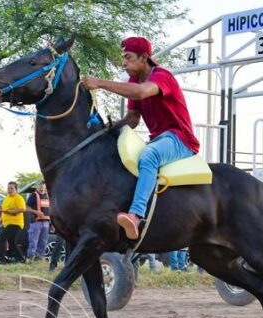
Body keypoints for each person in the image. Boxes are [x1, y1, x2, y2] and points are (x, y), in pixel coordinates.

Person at [82, 36, 199, 240]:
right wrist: (107, 131)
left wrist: (100, 83)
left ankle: (136, 216)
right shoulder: (134, 81)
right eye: (123, 58)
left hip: (180, 139)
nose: (123, 63)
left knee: (149, 155)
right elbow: (133, 119)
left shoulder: (162, 77)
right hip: (159, 139)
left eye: (128, 57)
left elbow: (142, 93)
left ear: (144, 57)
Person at [0, 181, 26, 263]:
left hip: (15, 223)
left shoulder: (18, 198)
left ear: (16, 189)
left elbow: (22, 209)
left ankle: (2, 259)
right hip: (7, 224)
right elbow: (4, 209)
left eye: (12, 188)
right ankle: (21, 259)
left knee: (2, 237)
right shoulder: (7, 198)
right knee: (12, 243)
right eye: (8, 188)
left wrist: (11, 212)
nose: (9, 190)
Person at [25, 181, 51, 261]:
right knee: (33, 241)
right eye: (40, 185)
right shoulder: (33, 195)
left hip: (46, 223)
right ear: (36, 186)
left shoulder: (48, 196)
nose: (42, 186)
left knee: (43, 242)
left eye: (43, 185)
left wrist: (52, 224)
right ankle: (30, 259)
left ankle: (39, 259)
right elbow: (27, 208)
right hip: (36, 222)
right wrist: (36, 212)